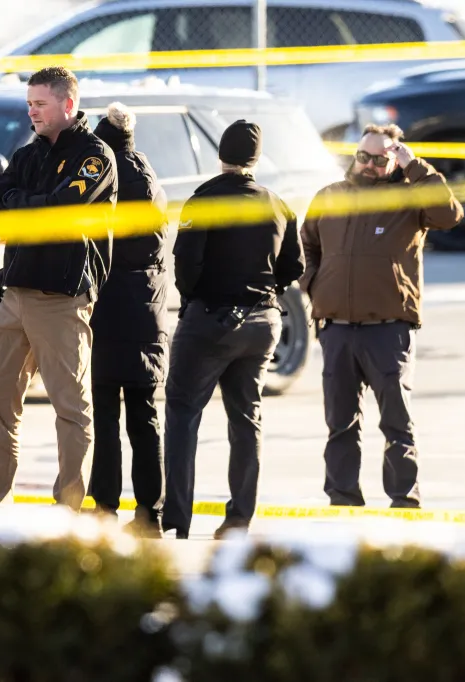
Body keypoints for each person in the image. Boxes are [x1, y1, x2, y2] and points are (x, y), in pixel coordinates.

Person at [0, 66, 117, 511]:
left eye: (40, 104)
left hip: (61, 296)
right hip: (15, 292)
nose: (31, 112)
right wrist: (22, 207)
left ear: (68, 105)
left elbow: (62, 213)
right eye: (29, 104)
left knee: (70, 407)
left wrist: (18, 206)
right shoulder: (28, 155)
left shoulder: (95, 157)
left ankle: (69, 505)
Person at [300, 123, 463, 510]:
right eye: (363, 156)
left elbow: (450, 213)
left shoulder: (410, 198)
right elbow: (307, 243)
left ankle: (404, 500)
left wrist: (416, 166)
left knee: (396, 424)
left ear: (394, 161)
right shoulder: (330, 196)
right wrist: (313, 285)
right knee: (340, 424)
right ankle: (342, 498)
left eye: (379, 159)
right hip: (337, 329)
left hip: (388, 330)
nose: (369, 165)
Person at [163, 120, 304, 540]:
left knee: (183, 413)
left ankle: (178, 520)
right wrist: (266, 292)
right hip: (263, 322)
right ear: (255, 159)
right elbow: (293, 268)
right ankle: (239, 518)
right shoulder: (277, 204)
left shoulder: (204, 201)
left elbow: (186, 266)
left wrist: (194, 302)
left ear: (221, 155)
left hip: (210, 319)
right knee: (246, 418)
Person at [85, 102, 170, 537]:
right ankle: (149, 513)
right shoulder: (150, 176)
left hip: (107, 308)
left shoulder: (105, 174)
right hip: (147, 313)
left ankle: (103, 507)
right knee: (144, 416)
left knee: (104, 417)